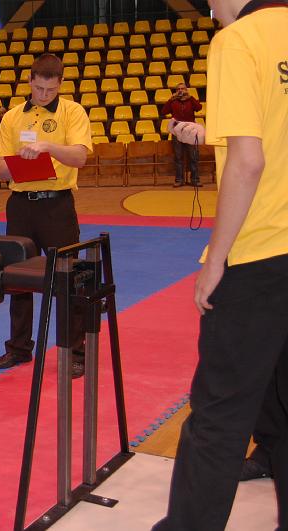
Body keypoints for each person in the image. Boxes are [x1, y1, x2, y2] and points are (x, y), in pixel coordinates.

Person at [152, 2, 288, 529]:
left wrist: (217, 257)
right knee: (279, 410)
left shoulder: (238, 39)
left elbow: (249, 161)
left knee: (219, 415)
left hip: (258, 254)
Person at [0, 53, 92, 377]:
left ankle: (75, 351)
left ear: (60, 84)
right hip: (20, 204)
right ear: (30, 81)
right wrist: (20, 162)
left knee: (68, 277)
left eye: (50, 89)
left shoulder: (72, 112)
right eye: (38, 88)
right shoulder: (11, 117)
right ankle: (19, 348)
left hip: (57, 205)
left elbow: (80, 158)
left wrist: (48, 147)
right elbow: (1, 169)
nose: (43, 95)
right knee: (16, 277)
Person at [161, 82, 203, 187]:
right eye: (178, 89)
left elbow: (199, 107)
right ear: (176, 91)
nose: (180, 91)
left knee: (193, 156)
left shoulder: (190, 100)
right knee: (178, 157)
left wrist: (190, 97)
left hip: (190, 131)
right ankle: (179, 180)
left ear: (186, 90)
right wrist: (171, 99)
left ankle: (195, 179)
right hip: (177, 132)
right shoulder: (173, 101)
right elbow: (163, 111)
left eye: (183, 89)